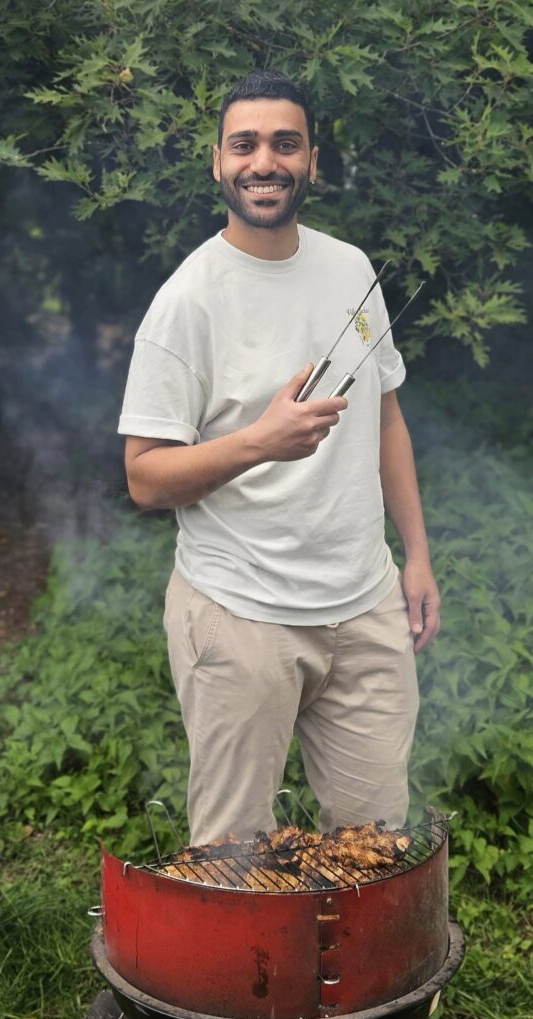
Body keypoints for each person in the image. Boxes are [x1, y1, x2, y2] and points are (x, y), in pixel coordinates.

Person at [118, 70, 440, 846]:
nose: (264, 161)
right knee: (233, 860)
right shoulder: (188, 301)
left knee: (373, 847)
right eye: (244, 144)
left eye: (284, 144)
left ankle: (345, 937)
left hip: (365, 607)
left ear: (311, 162)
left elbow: (385, 418)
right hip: (239, 614)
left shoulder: (350, 269)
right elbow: (144, 477)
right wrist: (260, 442)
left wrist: (416, 558)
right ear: (217, 162)